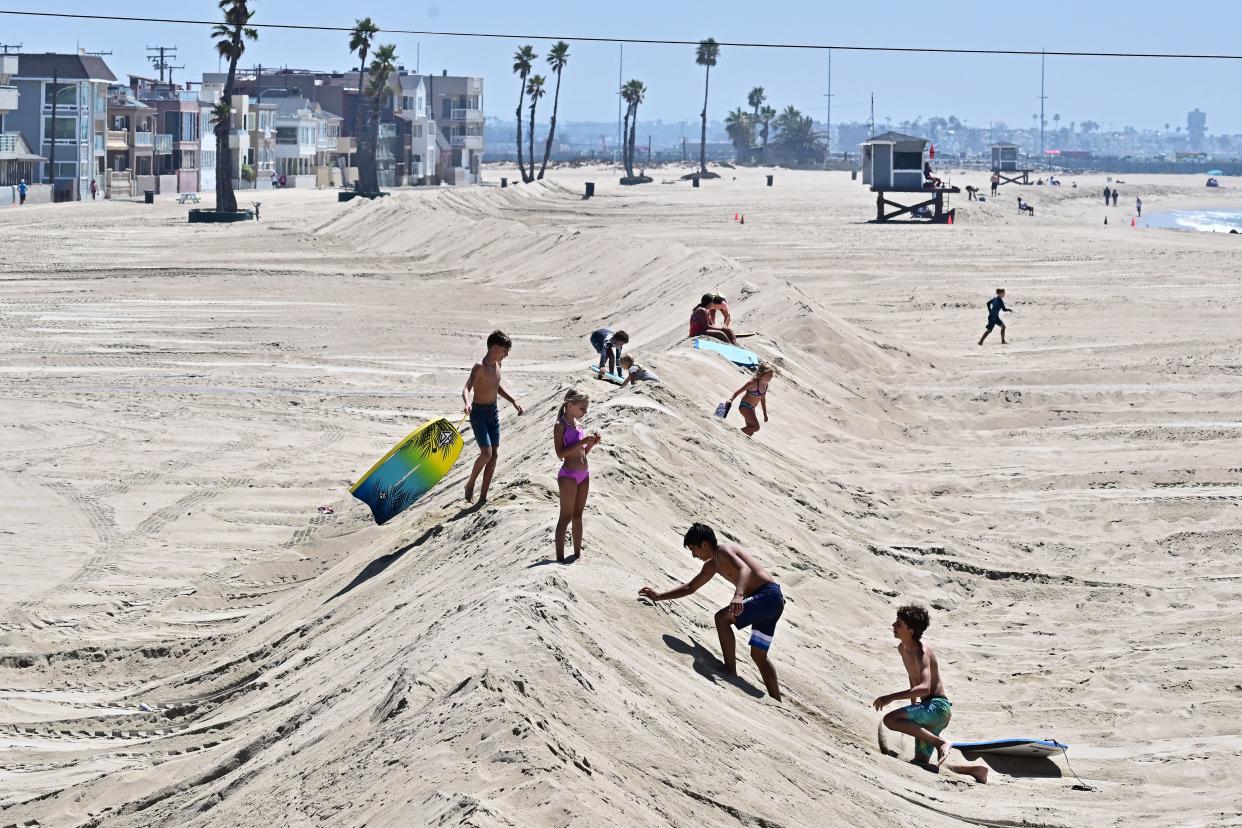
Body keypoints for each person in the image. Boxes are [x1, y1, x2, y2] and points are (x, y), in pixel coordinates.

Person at [639, 523, 784, 700]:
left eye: (694, 549)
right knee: (758, 656)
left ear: (705, 544)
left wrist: (738, 595)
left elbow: (744, 569)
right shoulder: (712, 565)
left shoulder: (723, 551)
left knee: (722, 618)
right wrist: (659, 596)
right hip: (771, 601)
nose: (693, 555)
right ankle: (777, 700)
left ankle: (730, 670)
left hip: (767, 595)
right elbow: (691, 587)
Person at [872, 605, 989, 783]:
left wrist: (890, 697)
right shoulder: (902, 648)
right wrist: (913, 706)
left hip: (937, 707)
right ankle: (976, 771)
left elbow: (925, 688)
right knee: (920, 763)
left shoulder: (922, 653)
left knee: (890, 720)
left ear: (910, 630)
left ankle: (940, 743)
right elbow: (913, 678)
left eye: (899, 623)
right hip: (929, 710)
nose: (893, 625)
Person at [462, 330, 523, 503]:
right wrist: (467, 403)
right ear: (495, 348)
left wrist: (512, 401)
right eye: (505, 351)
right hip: (478, 413)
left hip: (493, 412)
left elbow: (496, 387)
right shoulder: (479, 367)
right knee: (486, 453)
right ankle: (470, 484)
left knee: (494, 454)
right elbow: (467, 388)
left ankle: (483, 497)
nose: (506, 355)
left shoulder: (498, 366)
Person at [553, 389, 600, 563]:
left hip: (583, 474)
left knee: (578, 516)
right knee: (565, 517)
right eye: (582, 408)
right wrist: (581, 442)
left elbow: (582, 453)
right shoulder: (561, 425)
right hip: (569, 475)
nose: (585, 412)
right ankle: (559, 558)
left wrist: (591, 444)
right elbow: (560, 454)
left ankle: (577, 555)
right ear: (569, 405)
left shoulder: (578, 425)